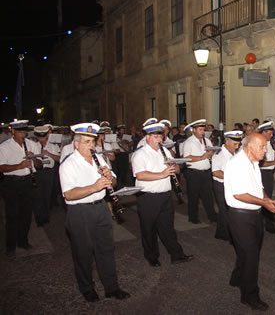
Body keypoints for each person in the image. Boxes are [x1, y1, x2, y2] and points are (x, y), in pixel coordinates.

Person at [59, 123, 129, 302]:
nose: (91, 145)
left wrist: (109, 177)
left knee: (106, 249)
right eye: (87, 142)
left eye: (93, 141)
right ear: (77, 144)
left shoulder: (98, 158)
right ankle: (87, 288)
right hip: (79, 211)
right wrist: (94, 186)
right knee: (83, 252)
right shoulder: (68, 164)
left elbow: (112, 183)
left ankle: (111, 287)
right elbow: (68, 193)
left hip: (100, 208)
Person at [224, 132, 275, 311]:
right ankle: (250, 295)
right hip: (241, 216)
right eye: (262, 146)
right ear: (250, 146)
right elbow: (239, 194)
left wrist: (266, 199)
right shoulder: (236, 164)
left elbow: (259, 188)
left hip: (255, 215)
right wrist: (263, 203)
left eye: (266, 146)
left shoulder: (254, 162)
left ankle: (237, 277)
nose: (266, 150)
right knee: (251, 257)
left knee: (248, 251)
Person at [131, 121, 193, 267]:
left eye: (160, 136)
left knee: (167, 228)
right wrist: (162, 173)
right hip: (148, 197)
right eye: (155, 136)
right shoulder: (140, 154)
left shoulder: (164, 152)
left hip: (165, 195)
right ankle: (152, 256)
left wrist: (176, 168)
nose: (159, 139)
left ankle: (176, 255)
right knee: (149, 229)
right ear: (148, 137)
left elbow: (176, 169)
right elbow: (140, 175)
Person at [0, 120, 42, 258]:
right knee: (12, 215)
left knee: (26, 214)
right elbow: (1, 167)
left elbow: (40, 166)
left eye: (24, 131)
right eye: (20, 131)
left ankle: (23, 240)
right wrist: (19, 166)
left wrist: (34, 160)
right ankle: (10, 246)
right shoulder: (4, 147)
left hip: (28, 181)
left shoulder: (32, 144)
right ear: (13, 131)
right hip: (12, 183)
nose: (23, 134)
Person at [182, 119, 218, 224]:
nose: (203, 132)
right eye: (200, 129)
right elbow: (186, 157)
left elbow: (211, 153)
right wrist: (202, 157)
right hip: (194, 173)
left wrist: (212, 153)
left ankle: (212, 216)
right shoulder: (189, 142)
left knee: (208, 196)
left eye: (203, 129)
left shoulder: (207, 140)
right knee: (193, 197)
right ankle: (193, 217)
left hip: (206, 172)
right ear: (194, 130)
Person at [211, 130, 242, 241]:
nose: (237, 146)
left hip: (230, 185)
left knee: (229, 209)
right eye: (235, 144)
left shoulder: (234, 153)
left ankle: (222, 232)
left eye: (238, 143)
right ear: (227, 142)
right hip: (221, 186)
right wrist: (232, 176)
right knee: (224, 210)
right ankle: (225, 234)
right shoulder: (219, 154)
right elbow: (215, 172)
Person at [257, 121, 275, 234]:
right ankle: (268, 224)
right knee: (265, 198)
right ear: (263, 132)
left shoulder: (270, 143)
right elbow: (260, 163)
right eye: (269, 133)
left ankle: (267, 222)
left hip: (269, 174)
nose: (272, 135)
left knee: (268, 197)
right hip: (263, 174)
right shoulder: (260, 144)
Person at [34, 125, 61, 226]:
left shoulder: (53, 146)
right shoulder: (33, 145)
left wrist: (48, 153)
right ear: (37, 137)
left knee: (47, 195)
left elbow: (59, 159)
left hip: (49, 172)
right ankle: (39, 218)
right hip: (37, 172)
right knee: (38, 195)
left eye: (44, 136)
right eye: (39, 137)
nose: (42, 139)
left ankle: (46, 215)